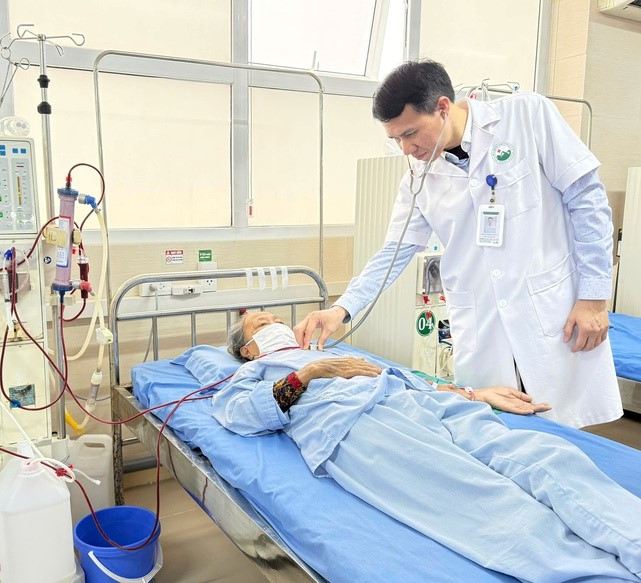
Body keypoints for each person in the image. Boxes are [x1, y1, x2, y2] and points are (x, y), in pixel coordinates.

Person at [294, 60, 622, 429]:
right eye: (396, 139)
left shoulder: (526, 116)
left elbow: (588, 200)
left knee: (563, 431)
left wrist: (594, 296)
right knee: (495, 432)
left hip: (550, 311)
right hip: (483, 329)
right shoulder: (418, 177)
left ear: (443, 107)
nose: (406, 149)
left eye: (411, 133)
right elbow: (392, 253)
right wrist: (340, 310)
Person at [214, 312, 641, 581]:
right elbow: (243, 416)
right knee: (486, 501)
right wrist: (311, 373)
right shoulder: (251, 375)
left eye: (277, 319)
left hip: (418, 402)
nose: (276, 324)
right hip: (356, 424)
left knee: (548, 458)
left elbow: (407, 379)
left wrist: (473, 394)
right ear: (247, 350)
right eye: (262, 325)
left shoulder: (331, 350)